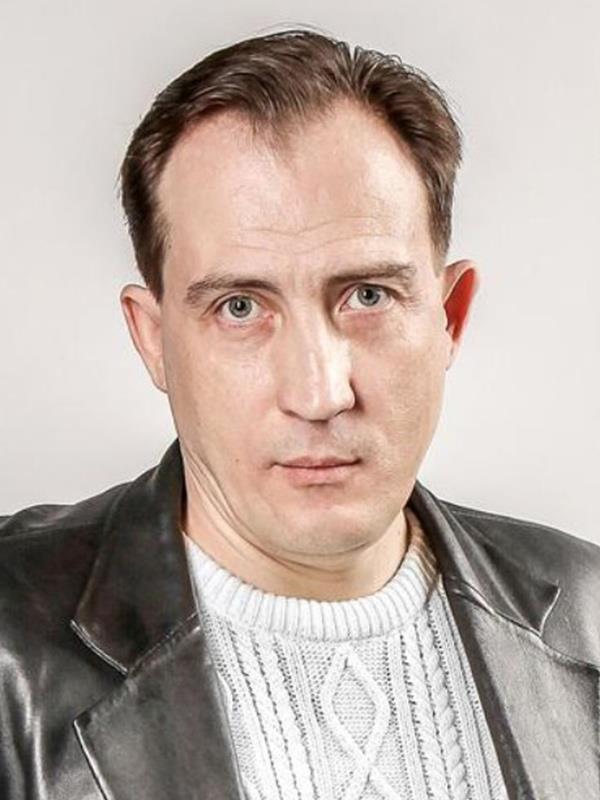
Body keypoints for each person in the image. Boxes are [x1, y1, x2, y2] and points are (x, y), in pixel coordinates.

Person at [1, 27, 598, 800]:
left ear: (450, 315)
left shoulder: (589, 614)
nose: (319, 394)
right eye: (240, 307)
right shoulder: (12, 642)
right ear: (153, 340)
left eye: (367, 296)